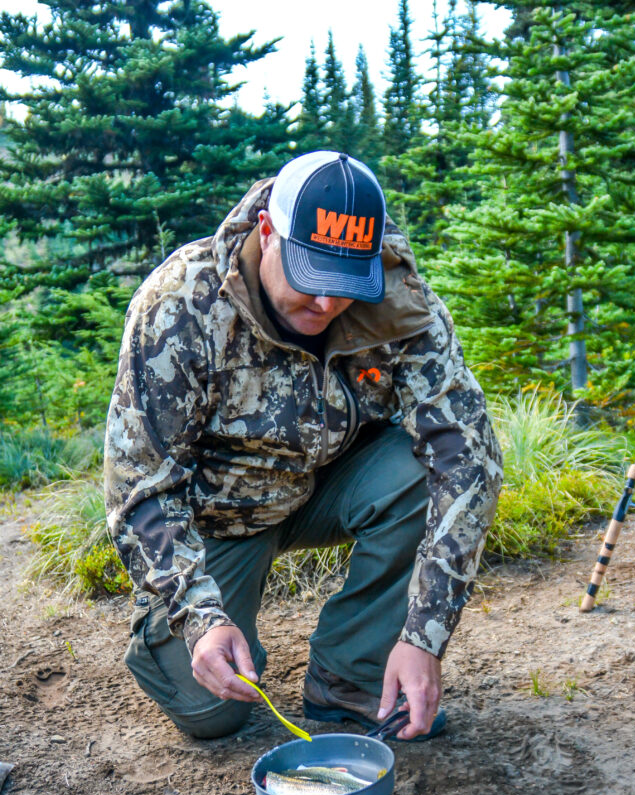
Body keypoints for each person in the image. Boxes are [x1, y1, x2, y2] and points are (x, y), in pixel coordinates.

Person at [104, 151, 503, 742]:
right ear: (268, 233)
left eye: (346, 285)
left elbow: (468, 458)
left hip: (325, 485)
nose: (326, 305)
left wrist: (424, 638)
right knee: (214, 709)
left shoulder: (400, 301)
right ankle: (163, 636)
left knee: (420, 476)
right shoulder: (181, 304)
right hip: (216, 517)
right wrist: (200, 617)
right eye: (312, 279)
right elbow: (139, 484)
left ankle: (349, 679)